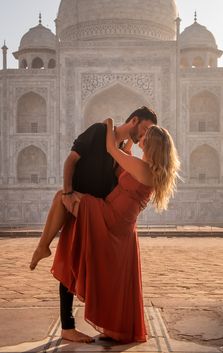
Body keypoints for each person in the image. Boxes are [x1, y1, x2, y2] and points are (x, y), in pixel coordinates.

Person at [30, 106, 158, 343]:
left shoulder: (124, 153)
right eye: (146, 128)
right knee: (69, 262)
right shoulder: (99, 132)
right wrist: (69, 192)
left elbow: (118, 156)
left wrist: (113, 126)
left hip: (98, 212)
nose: (146, 136)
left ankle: (43, 246)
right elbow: (71, 161)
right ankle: (68, 326)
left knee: (81, 264)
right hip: (82, 205)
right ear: (134, 120)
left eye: (151, 133)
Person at [50, 118, 180, 344]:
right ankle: (115, 328)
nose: (142, 138)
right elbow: (124, 157)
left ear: (152, 145)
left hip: (110, 218)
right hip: (121, 224)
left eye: (146, 137)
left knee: (63, 196)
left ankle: (42, 246)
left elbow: (112, 149)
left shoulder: (141, 168)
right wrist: (130, 134)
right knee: (115, 281)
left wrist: (108, 124)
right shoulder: (143, 167)